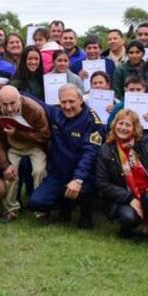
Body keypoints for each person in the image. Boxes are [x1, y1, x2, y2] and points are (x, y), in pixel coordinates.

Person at [27, 84, 104, 228]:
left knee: (84, 190)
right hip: (59, 174)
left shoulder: (92, 121)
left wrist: (78, 179)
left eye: (71, 101)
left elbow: (90, 154)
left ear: (81, 100)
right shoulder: (56, 113)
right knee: (35, 203)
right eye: (63, 102)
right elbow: (38, 103)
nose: (67, 106)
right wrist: (15, 93)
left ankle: (85, 214)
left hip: (83, 176)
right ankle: (65, 205)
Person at [95, 109, 148, 245]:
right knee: (128, 217)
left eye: (128, 125)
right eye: (120, 124)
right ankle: (129, 229)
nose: (123, 128)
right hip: (125, 198)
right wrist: (130, 198)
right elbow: (102, 183)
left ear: (135, 128)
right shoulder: (106, 149)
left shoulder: (146, 143)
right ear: (114, 125)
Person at [0, 86, 50, 222]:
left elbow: (44, 136)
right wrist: (4, 165)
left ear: (19, 100)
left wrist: (18, 133)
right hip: (13, 147)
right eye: (5, 104)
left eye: (12, 103)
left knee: (39, 171)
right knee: (10, 173)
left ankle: (41, 210)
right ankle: (10, 210)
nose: (9, 108)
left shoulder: (35, 109)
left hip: (35, 146)